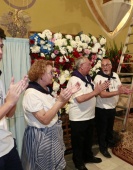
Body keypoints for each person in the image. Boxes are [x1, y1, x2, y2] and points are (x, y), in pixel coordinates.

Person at [21, 59, 80, 170]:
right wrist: (59, 101)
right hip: (40, 137)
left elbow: (57, 107)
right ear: (40, 74)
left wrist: (67, 96)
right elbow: (44, 119)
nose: (53, 75)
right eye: (50, 73)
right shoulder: (31, 94)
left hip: (51, 133)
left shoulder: (45, 89)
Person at [67, 56, 110, 170]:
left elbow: (92, 93)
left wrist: (98, 90)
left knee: (88, 140)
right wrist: (96, 91)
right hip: (79, 118)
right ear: (81, 66)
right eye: (88, 65)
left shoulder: (87, 78)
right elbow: (80, 99)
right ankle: (78, 162)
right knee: (78, 143)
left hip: (89, 115)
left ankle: (88, 157)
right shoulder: (74, 79)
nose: (90, 67)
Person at [0, 28, 28, 170]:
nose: (0, 52)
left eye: (0, 46)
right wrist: (10, 101)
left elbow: (8, 114)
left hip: (8, 145)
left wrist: (14, 98)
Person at [94, 57, 133, 158]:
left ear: (111, 66)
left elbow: (119, 86)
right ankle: (103, 148)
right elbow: (101, 94)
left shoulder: (115, 75)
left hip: (112, 107)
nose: (105, 67)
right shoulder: (98, 78)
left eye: (107, 65)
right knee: (102, 130)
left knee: (110, 128)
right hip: (102, 108)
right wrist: (118, 92)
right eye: (103, 65)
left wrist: (123, 89)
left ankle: (110, 142)